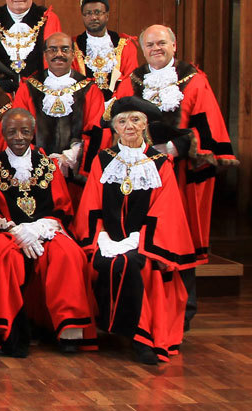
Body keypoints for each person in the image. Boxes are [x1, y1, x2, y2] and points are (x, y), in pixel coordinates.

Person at [111, 24, 238, 328]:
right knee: (139, 235)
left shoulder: (195, 80)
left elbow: (209, 129)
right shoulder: (131, 81)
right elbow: (116, 124)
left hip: (180, 174)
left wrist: (175, 147)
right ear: (142, 50)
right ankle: (142, 310)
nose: (156, 49)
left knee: (178, 235)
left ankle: (183, 311)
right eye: (150, 44)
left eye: (162, 43)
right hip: (138, 173)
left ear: (174, 45)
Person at [74, 96, 196, 364]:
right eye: (122, 121)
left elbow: (166, 209)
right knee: (102, 262)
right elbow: (91, 203)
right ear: (115, 128)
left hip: (145, 241)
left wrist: (139, 241)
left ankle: (141, 338)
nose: (129, 126)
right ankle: (108, 329)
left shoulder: (161, 162)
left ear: (145, 125)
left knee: (130, 263)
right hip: (107, 238)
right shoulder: (102, 160)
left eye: (135, 120)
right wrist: (101, 238)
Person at [0, 109, 94, 357]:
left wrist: (39, 228)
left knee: (68, 253)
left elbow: (63, 207)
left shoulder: (48, 165)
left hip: (46, 229)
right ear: (3, 133)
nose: (19, 137)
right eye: (12, 131)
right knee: (3, 255)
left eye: (24, 131)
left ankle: (68, 331)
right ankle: (9, 333)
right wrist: (14, 229)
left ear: (33, 133)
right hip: (8, 233)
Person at [11, 32, 105, 202]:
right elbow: (18, 129)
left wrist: (70, 157)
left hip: (75, 174)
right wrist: (40, 159)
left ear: (73, 54)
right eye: (53, 50)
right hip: (36, 170)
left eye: (65, 49)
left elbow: (96, 129)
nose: (59, 54)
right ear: (45, 55)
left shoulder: (90, 89)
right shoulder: (28, 88)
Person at [71, 0, 137, 100]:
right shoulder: (72, 46)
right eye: (88, 13)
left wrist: (114, 102)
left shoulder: (125, 45)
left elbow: (130, 79)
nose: (93, 17)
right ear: (83, 16)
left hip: (118, 105)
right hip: (85, 104)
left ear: (107, 15)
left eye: (98, 12)